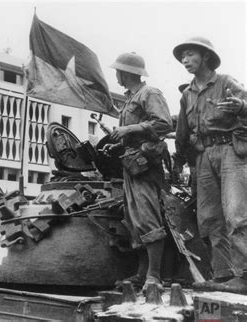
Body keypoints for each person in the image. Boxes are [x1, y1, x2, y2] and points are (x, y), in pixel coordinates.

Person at [173, 36, 247, 294]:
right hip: (202, 156)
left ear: (205, 56)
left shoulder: (226, 82)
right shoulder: (187, 94)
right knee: (209, 218)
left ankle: (245, 276)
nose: (185, 60)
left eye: (190, 54)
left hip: (231, 153)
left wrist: (241, 107)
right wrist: (178, 161)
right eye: (182, 56)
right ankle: (224, 275)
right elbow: (182, 133)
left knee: (236, 214)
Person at [104, 52, 172, 291]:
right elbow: (134, 134)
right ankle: (143, 273)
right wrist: (119, 143)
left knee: (147, 215)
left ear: (126, 72)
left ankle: (154, 275)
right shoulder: (131, 98)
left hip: (146, 164)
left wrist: (129, 128)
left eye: (118, 72)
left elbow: (164, 123)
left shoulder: (149, 94)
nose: (117, 76)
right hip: (131, 163)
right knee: (134, 219)